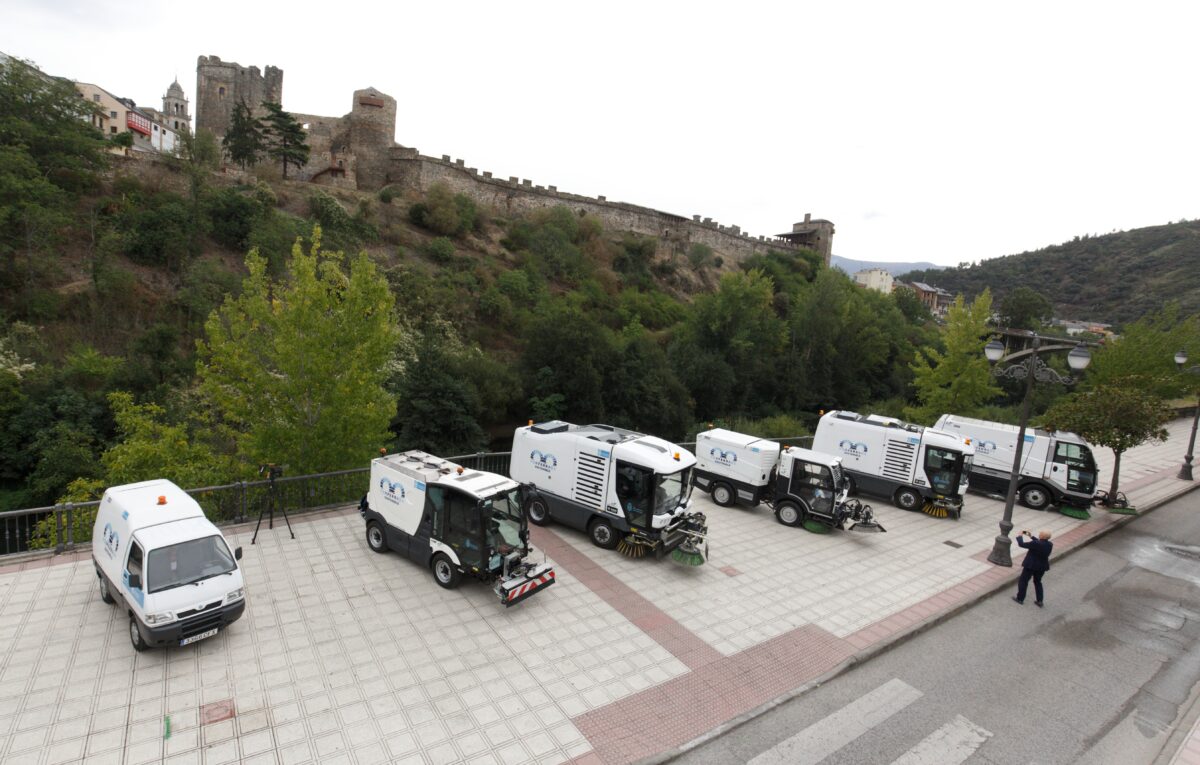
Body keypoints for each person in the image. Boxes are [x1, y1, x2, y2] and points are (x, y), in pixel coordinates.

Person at [1013, 529, 1053, 607]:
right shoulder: (1050, 544)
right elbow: (1040, 543)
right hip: (1042, 566)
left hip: (1031, 565)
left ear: (1041, 536)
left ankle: (1020, 598)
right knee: (1038, 582)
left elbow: (1021, 544)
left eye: (1040, 533)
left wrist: (1020, 536)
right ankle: (1040, 601)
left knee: (1023, 581)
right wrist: (1031, 536)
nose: (1039, 534)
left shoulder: (1036, 543)